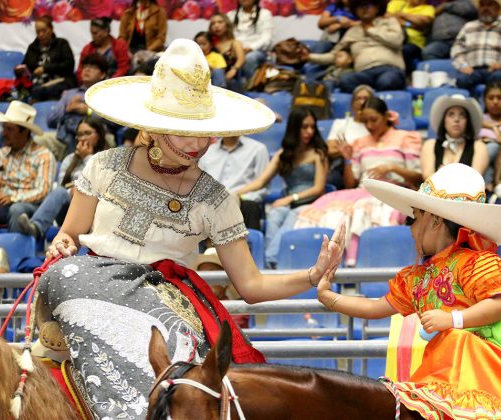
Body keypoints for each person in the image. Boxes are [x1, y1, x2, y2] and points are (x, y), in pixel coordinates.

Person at [35, 39, 344, 419]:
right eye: (184, 132)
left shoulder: (216, 200)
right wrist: (62, 245)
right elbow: (70, 234)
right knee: (68, 271)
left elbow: (251, 286)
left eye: (204, 132)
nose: (198, 145)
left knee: (178, 359)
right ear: (154, 127)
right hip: (91, 282)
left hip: (162, 300)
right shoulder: (105, 166)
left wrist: (311, 276)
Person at [316, 162, 501, 419]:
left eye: (414, 218)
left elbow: (497, 306)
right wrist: (331, 298)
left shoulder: (476, 262)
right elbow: (378, 306)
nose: (411, 229)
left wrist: (452, 320)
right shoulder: (418, 277)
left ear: (435, 220)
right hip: (447, 362)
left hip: (488, 362)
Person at [295, 97, 422, 266]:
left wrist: (391, 168)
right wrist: (348, 160)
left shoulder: (405, 137)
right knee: (333, 212)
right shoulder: (360, 143)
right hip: (363, 191)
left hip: (394, 192)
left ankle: (361, 263)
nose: (370, 126)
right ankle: (329, 263)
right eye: (365, 122)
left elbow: (419, 178)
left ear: (386, 117)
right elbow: (350, 183)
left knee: (366, 210)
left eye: (374, 120)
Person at [236, 108, 329, 268]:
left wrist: (290, 198)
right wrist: (233, 194)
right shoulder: (283, 155)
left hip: (311, 203)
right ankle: (268, 263)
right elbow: (260, 182)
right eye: (304, 127)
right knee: (273, 217)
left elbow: (318, 188)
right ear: (294, 127)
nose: (309, 131)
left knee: (291, 219)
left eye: (312, 127)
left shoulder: (318, 153)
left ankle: (268, 264)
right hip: (287, 203)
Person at [15, 117, 108, 240]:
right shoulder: (69, 159)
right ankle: (35, 228)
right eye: (79, 135)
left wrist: (87, 157)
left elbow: (102, 187)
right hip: (69, 211)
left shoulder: (106, 160)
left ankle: (37, 228)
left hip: (93, 212)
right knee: (59, 191)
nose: (83, 138)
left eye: (87, 133)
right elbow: (62, 187)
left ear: (99, 135)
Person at [0, 101, 55, 232]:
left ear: (24, 132)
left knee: (17, 209)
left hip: (29, 207)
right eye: (4, 128)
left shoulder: (43, 155)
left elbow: (43, 191)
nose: (4, 133)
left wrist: (14, 198)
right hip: (1, 207)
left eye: (10, 129)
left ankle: (16, 250)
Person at [305, 0, 407, 93]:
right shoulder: (352, 32)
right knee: (346, 80)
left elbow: (397, 41)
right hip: (364, 73)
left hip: (390, 69)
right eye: (360, 6)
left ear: (377, 8)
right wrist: (308, 57)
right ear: (355, 11)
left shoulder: (390, 22)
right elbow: (334, 56)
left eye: (369, 4)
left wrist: (370, 30)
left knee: (387, 81)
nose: (365, 8)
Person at [199, 134, 269, 230]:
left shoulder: (258, 149)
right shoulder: (207, 152)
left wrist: (238, 197)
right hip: (213, 201)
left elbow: (262, 187)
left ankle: (220, 242)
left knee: (251, 207)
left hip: (244, 199)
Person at [450, 0, 501, 93]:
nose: (485, 8)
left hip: (496, 70)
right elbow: (457, 49)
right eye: (482, 5)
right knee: (462, 80)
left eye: (490, 5)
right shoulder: (468, 27)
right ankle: (471, 106)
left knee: (499, 77)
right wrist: (463, 65)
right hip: (472, 70)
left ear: (498, 8)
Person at [48, 54, 109, 156]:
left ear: (102, 74)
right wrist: (66, 109)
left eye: (93, 67)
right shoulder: (69, 94)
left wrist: (88, 111)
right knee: (41, 140)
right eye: (85, 67)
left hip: (98, 136)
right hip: (66, 134)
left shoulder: (107, 94)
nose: (87, 70)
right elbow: (50, 120)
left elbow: (115, 121)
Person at [421, 95, 488, 180]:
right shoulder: (430, 145)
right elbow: (427, 178)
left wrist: (444, 175)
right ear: (444, 120)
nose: (456, 119)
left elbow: (475, 180)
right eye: (451, 115)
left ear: (468, 121)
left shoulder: (479, 146)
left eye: (462, 115)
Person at [325, 84, 374, 189]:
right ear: (352, 104)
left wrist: (350, 147)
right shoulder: (341, 123)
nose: (362, 102)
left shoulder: (375, 125)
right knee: (331, 179)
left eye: (366, 99)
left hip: (369, 165)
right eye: (358, 99)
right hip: (344, 165)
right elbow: (330, 149)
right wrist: (348, 151)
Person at [21, 16, 76, 102]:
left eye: (44, 31)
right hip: (38, 83)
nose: (41, 34)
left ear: (51, 29)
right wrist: (19, 71)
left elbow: (69, 65)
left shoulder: (61, 44)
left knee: (43, 91)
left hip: (59, 81)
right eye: (38, 32)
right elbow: (26, 66)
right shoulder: (32, 48)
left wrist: (45, 69)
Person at [194, 247, 250, 329]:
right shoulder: (194, 307)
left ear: (225, 282)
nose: (206, 281)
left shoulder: (238, 310)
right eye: (203, 275)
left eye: (212, 274)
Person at [478, 82, 501, 186]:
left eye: (499, 98)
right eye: (491, 98)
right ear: (484, 101)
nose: (495, 102)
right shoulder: (478, 119)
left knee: (494, 147)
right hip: (480, 157)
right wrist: (493, 127)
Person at [227, 0, 274, 80]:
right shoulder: (231, 15)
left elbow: (267, 38)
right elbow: (227, 37)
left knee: (249, 58)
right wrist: (236, 49)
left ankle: (251, 89)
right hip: (236, 50)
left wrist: (251, 48)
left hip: (257, 51)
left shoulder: (265, 14)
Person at [385, 0, 435, 73]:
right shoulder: (401, 5)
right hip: (394, 39)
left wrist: (402, 15)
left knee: (405, 50)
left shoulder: (428, 8)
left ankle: (408, 75)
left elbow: (423, 22)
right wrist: (409, 23)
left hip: (415, 44)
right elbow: (387, 16)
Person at [119, 0, 167, 67]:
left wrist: (146, 52)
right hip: (130, 51)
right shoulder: (128, 13)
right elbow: (122, 37)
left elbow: (161, 38)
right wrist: (126, 52)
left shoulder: (160, 12)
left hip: (151, 51)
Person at [208, 13, 245, 92]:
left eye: (220, 22)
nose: (216, 26)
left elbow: (241, 59)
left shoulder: (234, 43)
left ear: (227, 25)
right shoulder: (210, 45)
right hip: (212, 79)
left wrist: (234, 70)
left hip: (231, 80)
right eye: (213, 23)